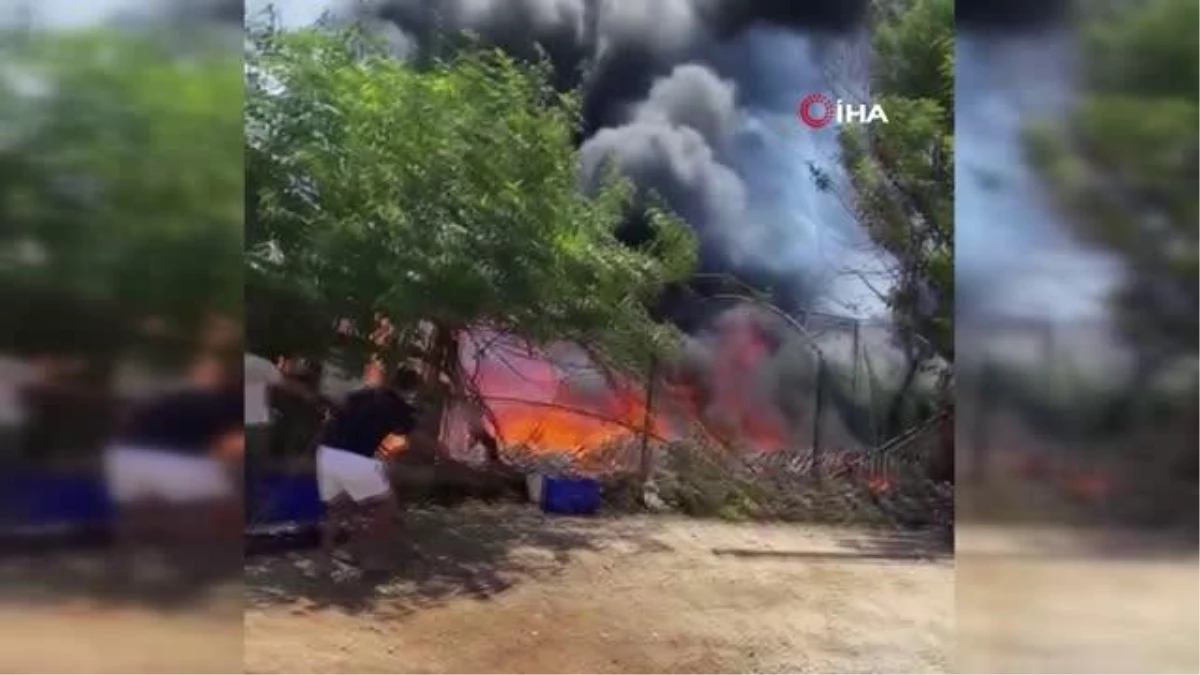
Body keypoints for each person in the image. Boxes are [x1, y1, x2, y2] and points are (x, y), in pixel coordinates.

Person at [103, 352, 244, 590]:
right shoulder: (231, 400)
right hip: (172, 459)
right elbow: (231, 449)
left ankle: (124, 567)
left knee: (140, 513)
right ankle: (198, 568)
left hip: (125, 456)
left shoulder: (174, 394)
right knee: (215, 508)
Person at [315, 365, 420, 576]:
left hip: (327, 453)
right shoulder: (398, 407)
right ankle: (373, 562)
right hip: (353, 458)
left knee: (339, 508)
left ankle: (323, 561)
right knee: (386, 505)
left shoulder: (362, 394)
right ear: (412, 388)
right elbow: (415, 438)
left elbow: (335, 410)